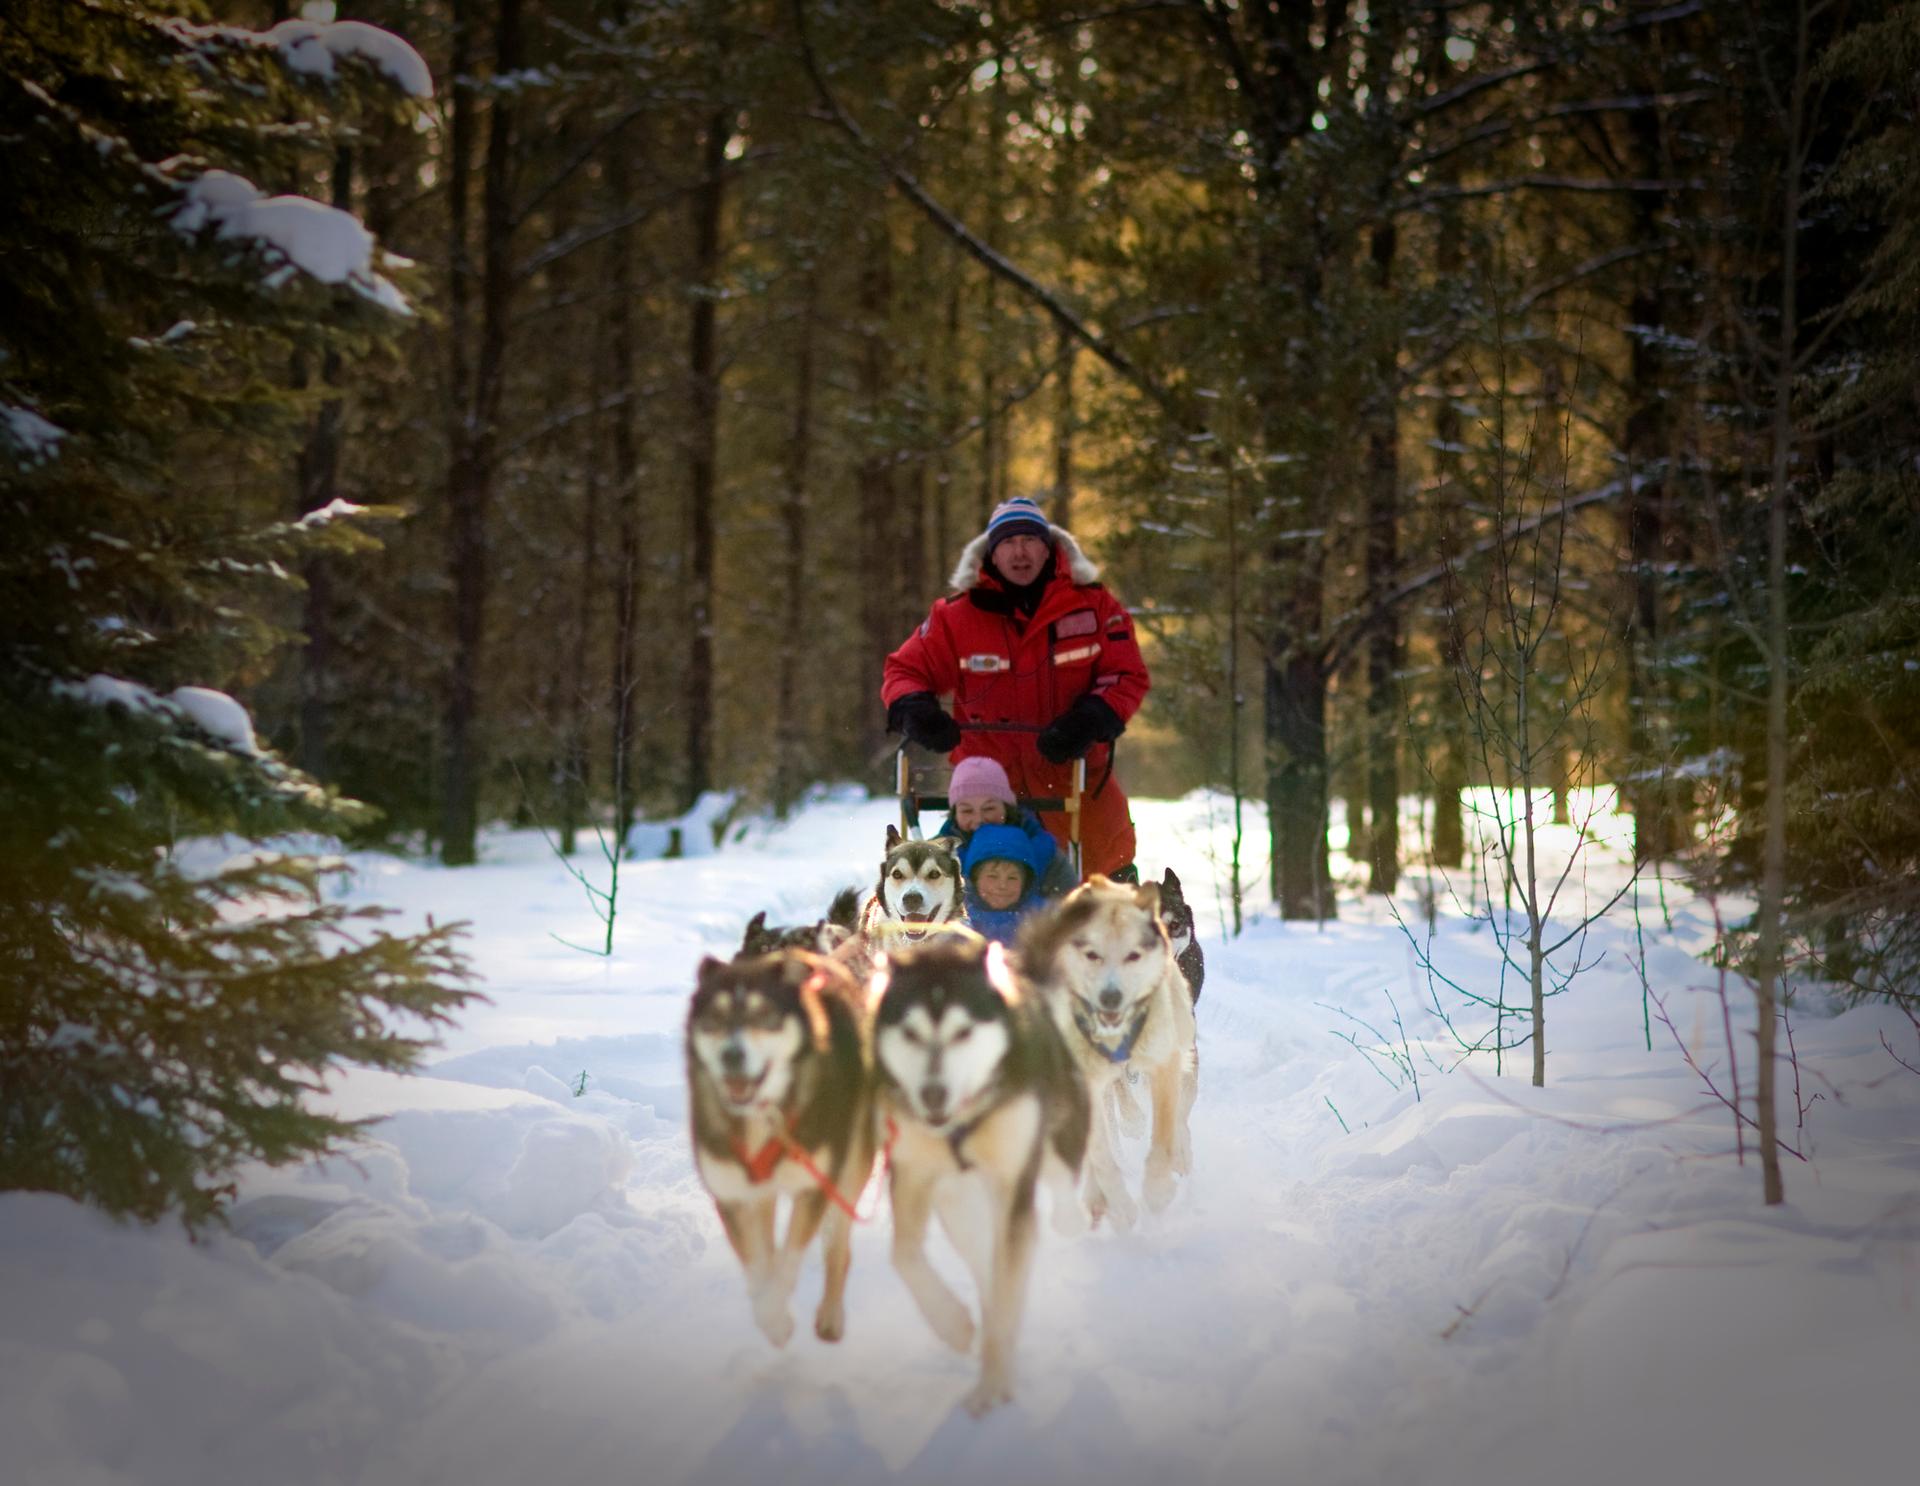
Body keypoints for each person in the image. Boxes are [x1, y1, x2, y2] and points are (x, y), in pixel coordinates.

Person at [884, 495, 1150, 882]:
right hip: (987, 790)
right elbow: (905, 669)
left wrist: (1094, 716)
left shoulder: (1093, 607)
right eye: (1008, 542)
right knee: (980, 883)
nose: (1020, 551)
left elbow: (1125, 674)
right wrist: (915, 709)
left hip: (1074, 777)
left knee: (1105, 876)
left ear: (1049, 548)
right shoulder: (956, 616)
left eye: (1030, 540)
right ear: (992, 552)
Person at [933, 755, 1077, 898]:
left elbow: (1070, 909)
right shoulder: (935, 856)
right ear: (954, 813)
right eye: (967, 811)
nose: (978, 820)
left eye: (989, 809)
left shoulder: (1043, 852)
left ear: (1006, 808)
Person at [960, 823, 1050, 945]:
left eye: (1012, 878)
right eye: (992, 876)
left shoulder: (1044, 917)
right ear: (974, 879)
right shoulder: (958, 917)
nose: (1002, 885)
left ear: (1025, 883)